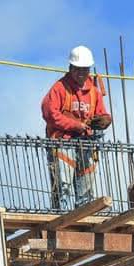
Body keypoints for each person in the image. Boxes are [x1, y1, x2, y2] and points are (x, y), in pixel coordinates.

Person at [41, 45, 112, 210]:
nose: (81, 73)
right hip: (63, 143)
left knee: (86, 189)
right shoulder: (60, 88)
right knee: (63, 186)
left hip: (86, 144)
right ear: (70, 68)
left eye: (85, 69)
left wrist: (104, 120)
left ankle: (83, 217)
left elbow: (102, 113)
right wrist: (75, 125)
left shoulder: (94, 92)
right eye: (78, 69)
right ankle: (61, 215)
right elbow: (49, 113)